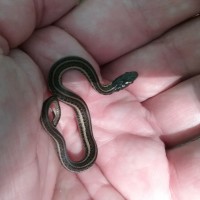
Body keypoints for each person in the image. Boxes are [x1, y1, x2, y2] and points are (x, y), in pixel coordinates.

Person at [0, 0, 199, 199]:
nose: (128, 79)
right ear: (121, 84)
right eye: (127, 79)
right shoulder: (89, 87)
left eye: (127, 80)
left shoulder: (96, 88)